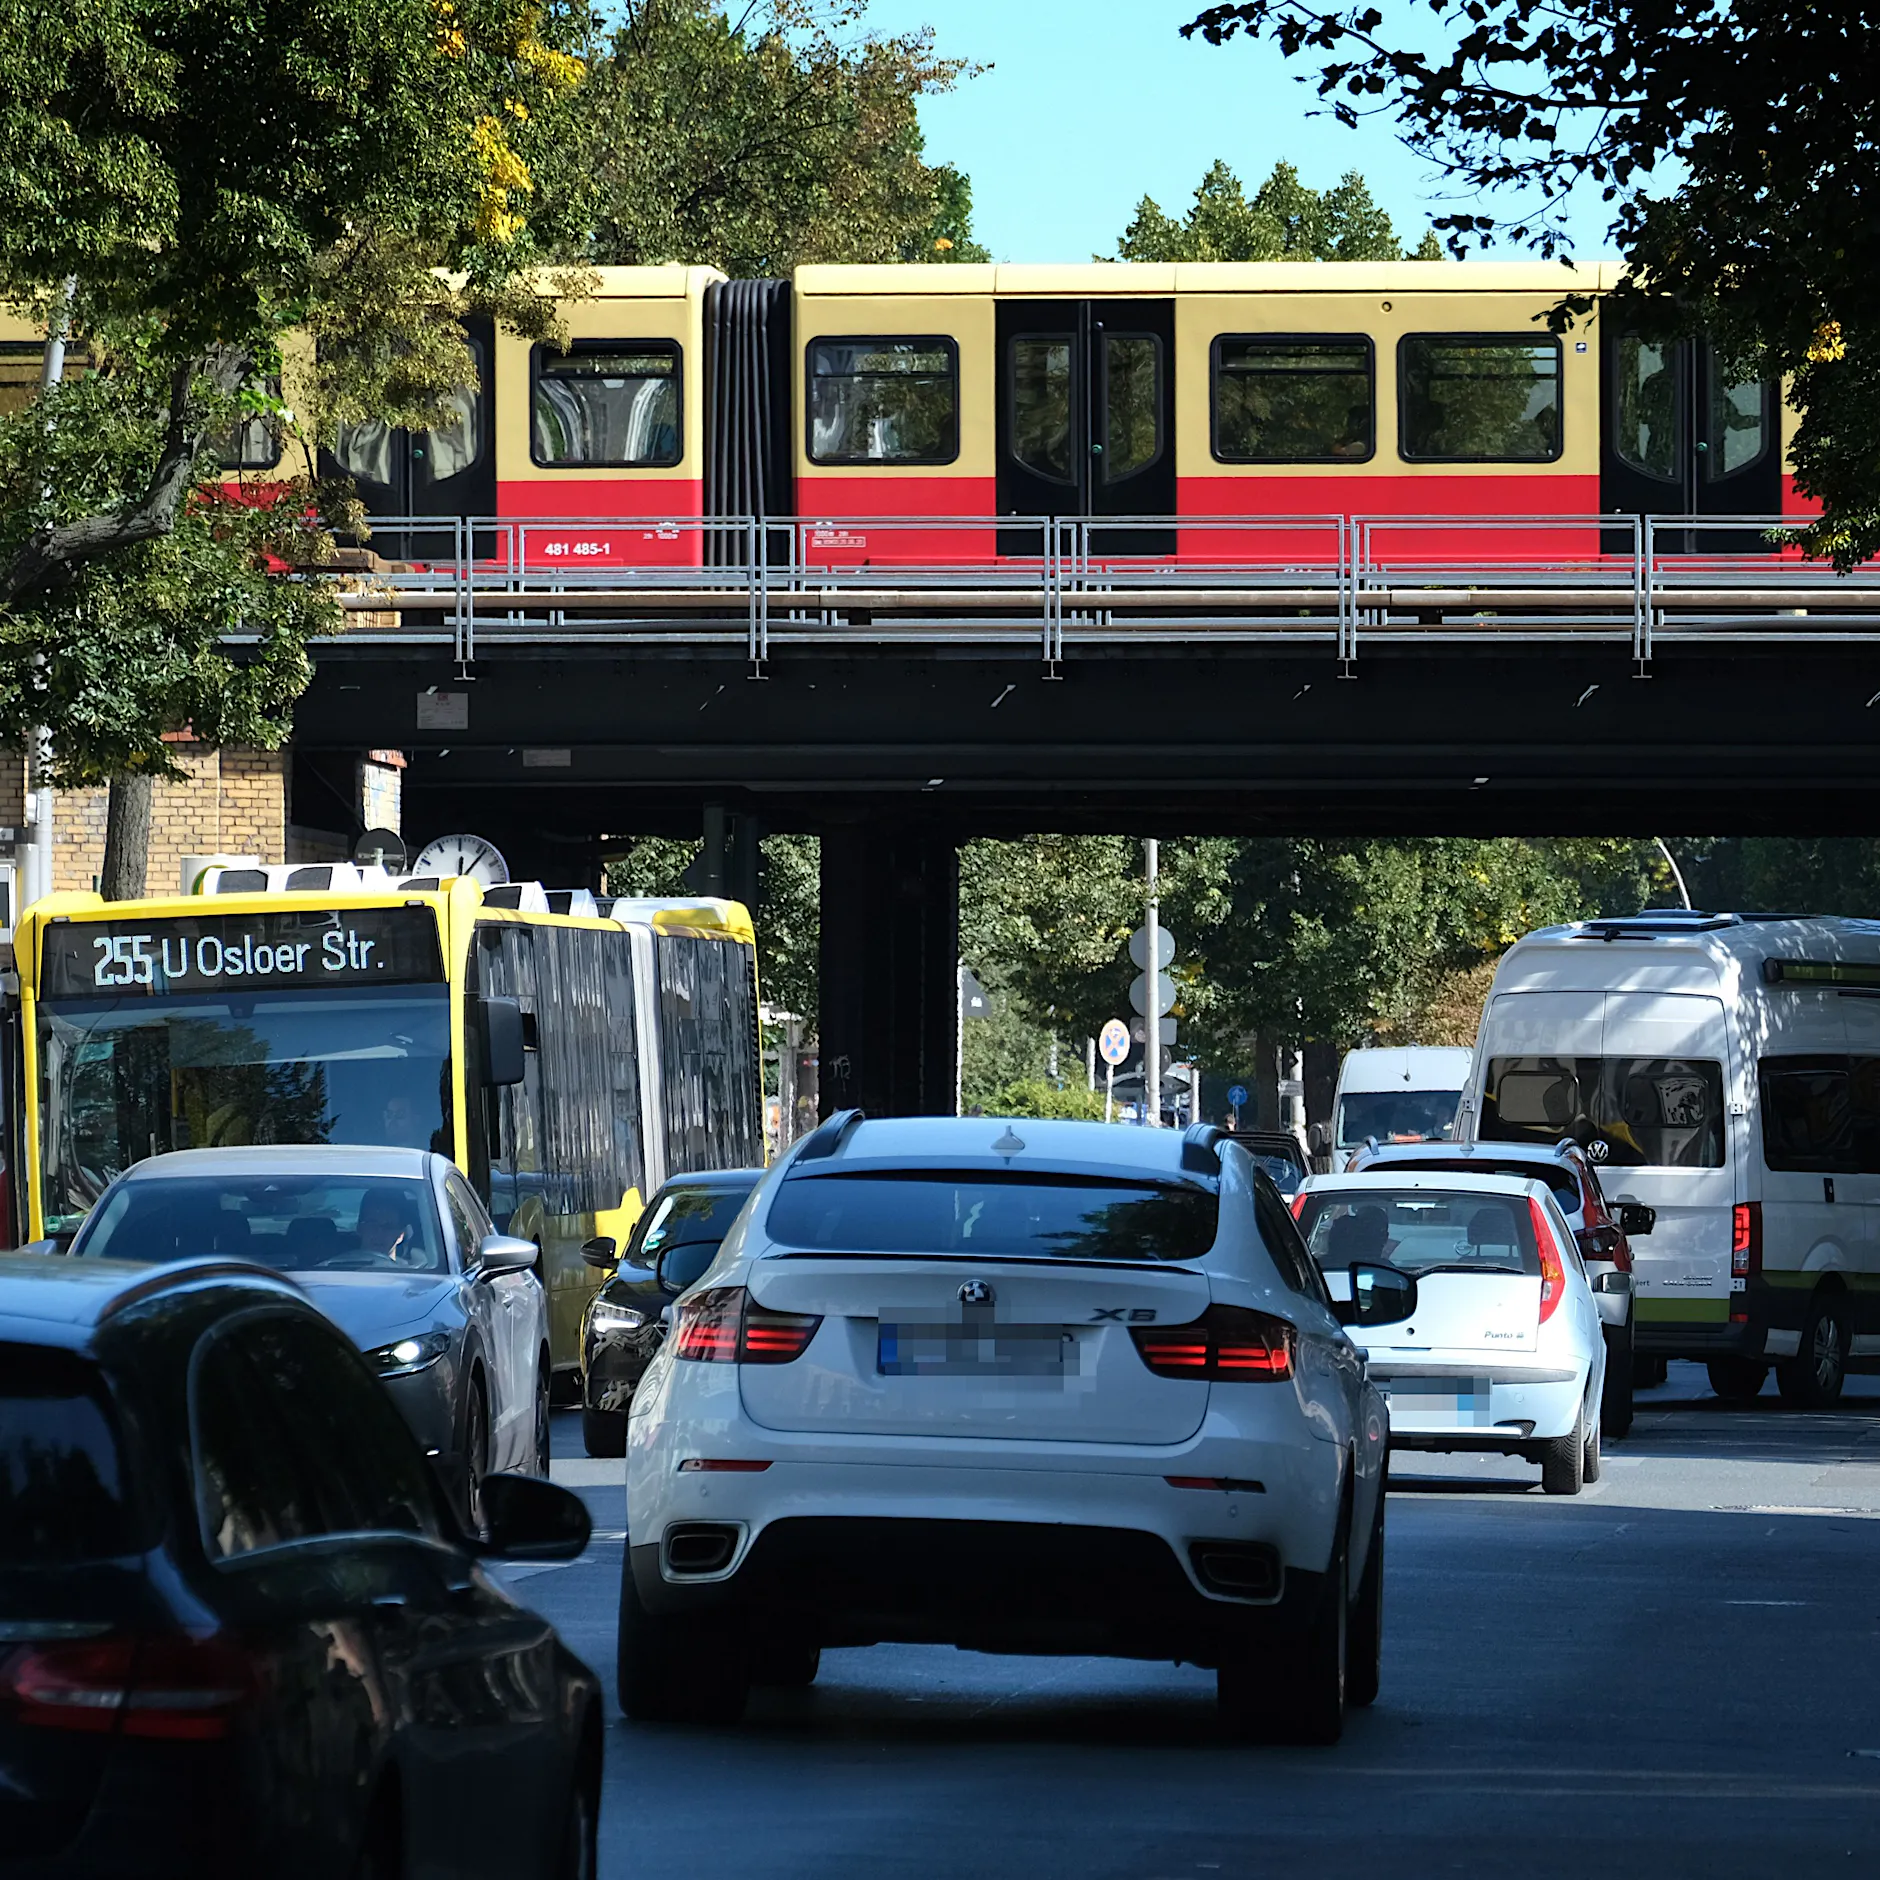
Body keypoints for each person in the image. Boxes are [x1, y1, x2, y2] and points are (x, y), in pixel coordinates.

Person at [353, 1186, 426, 1268]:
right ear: (359, 1228)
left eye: (389, 1226)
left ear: (401, 1234)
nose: (379, 1232)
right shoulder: (338, 1267)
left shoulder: (416, 1273)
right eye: (372, 1224)